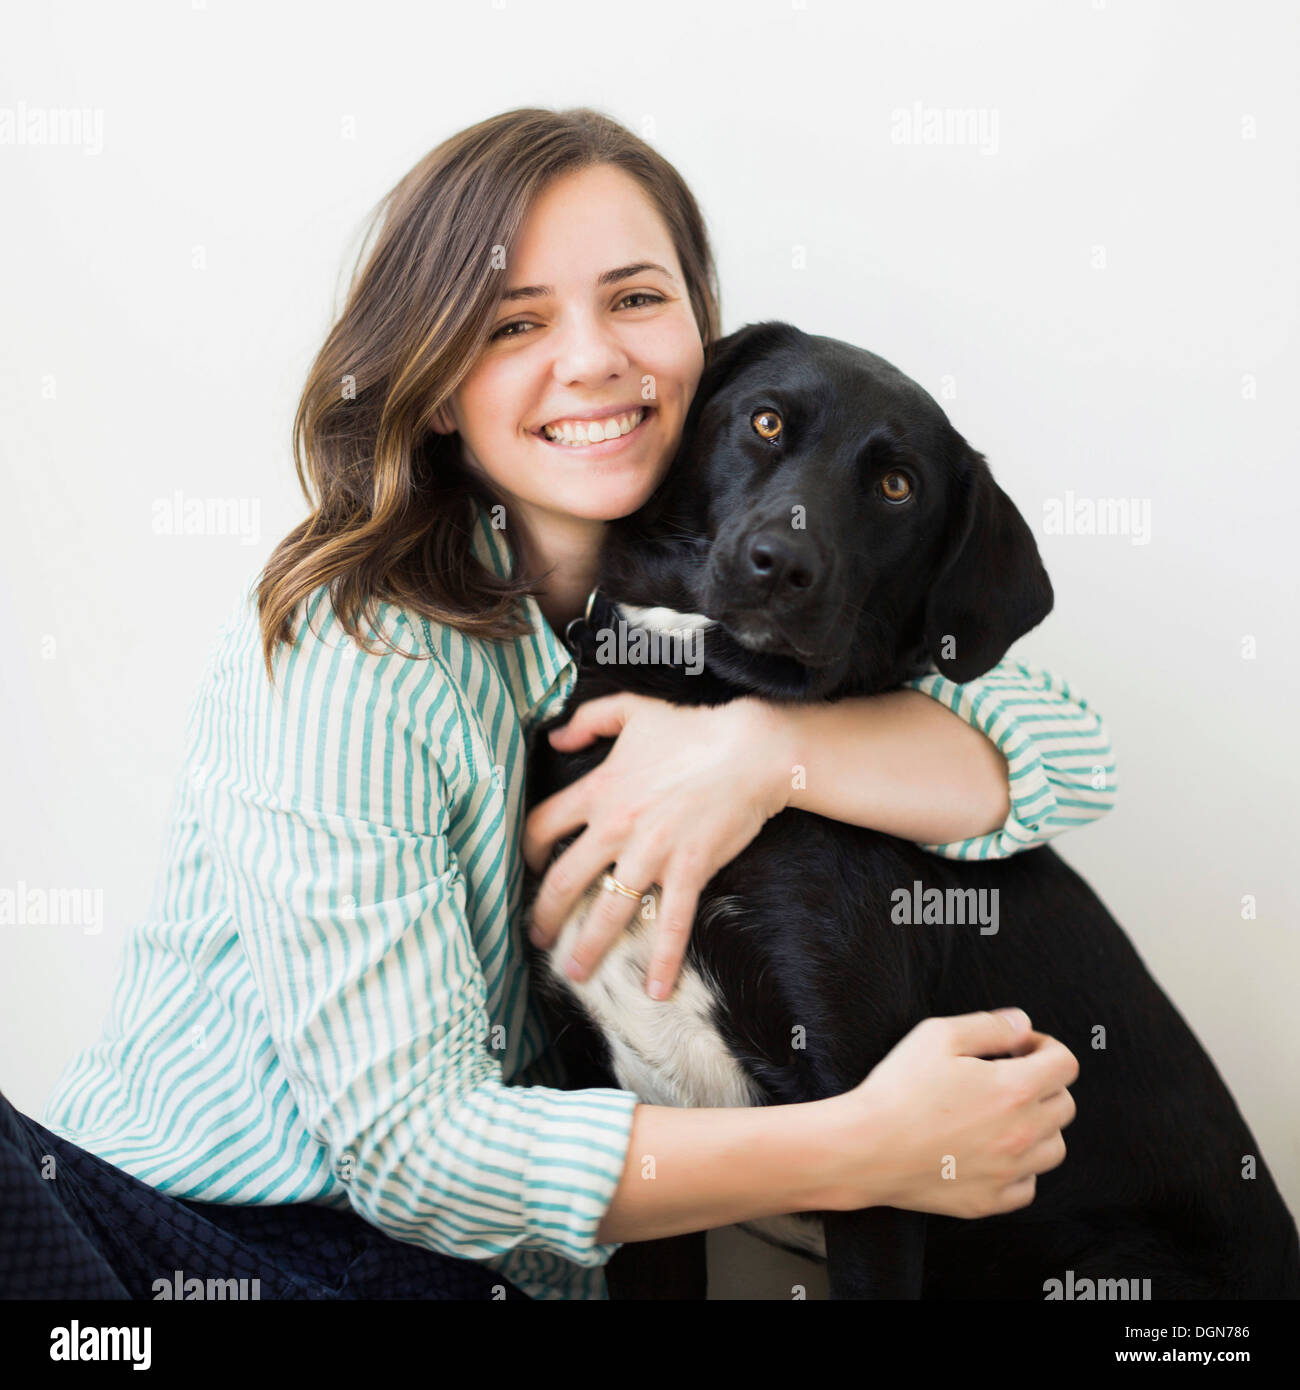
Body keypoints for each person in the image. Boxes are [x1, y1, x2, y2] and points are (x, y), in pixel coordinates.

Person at [11, 107, 1105, 1302]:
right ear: (435, 383)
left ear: (705, 336)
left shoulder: (708, 631)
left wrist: (763, 751)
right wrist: (868, 1146)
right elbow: (410, 1152)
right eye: (514, 322)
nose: (589, 359)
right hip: (183, 1241)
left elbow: (1068, 748)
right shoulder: (362, 648)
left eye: (636, 300)